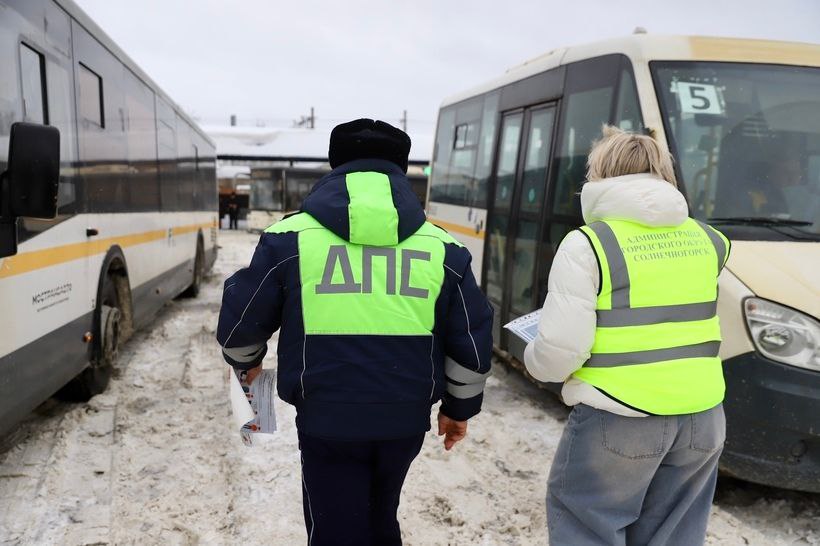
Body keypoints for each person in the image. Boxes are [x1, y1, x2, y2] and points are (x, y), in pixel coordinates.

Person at [216, 119, 493, 545]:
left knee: (335, 527)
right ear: (401, 170)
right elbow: (470, 336)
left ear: (334, 166)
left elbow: (240, 323)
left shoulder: (289, 238)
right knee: (382, 517)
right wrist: (459, 408)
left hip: (327, 420)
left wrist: (248, 367)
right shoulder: (443, 247)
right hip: (403, 420)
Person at [524, 125, 730, 546]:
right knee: (674, 535)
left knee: (586, 524)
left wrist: (535, 361)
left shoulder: (588, 244)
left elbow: (564, 348)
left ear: (599, 173)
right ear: (663, 171)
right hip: (703, 416)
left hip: (619, 416)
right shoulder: (709, 240)